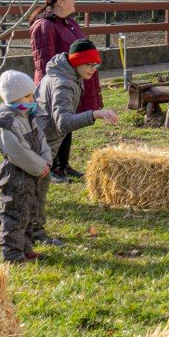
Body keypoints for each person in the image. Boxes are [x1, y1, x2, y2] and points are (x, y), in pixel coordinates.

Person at [37, 37, 120, 213]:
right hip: (42, 144)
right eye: (88, 64)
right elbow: (63, 122)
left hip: (44, 142)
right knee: (34, 192)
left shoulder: (67, 74)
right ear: (77, 61)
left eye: (95, 65)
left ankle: (4, 217)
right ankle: (35, 232)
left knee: (26, 189)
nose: (92, 69)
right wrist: (95, 114)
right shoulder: (63, 83)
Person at [28, 0, 100, 181]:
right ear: (59, 2)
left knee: (68, 122)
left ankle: (63, 164)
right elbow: (44, 61)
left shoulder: (68, 23)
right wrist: (50, 90)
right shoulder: (45, 26)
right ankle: (50, 166)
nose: (74, 1)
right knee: (54, 125)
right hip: (55, 85)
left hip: (70, 80)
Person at [0, 70, 53, 264]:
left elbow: (41, 139)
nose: (33, 99)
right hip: (16, 173)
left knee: (28, 212)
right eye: (28, 96)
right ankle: (12, 254)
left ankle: (26, 248)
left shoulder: (27, 115)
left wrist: (46, 159)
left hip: (34, 171)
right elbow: (17, 152)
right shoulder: (6, 123)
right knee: (15, 215)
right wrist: (39, 166)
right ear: (14, 98)